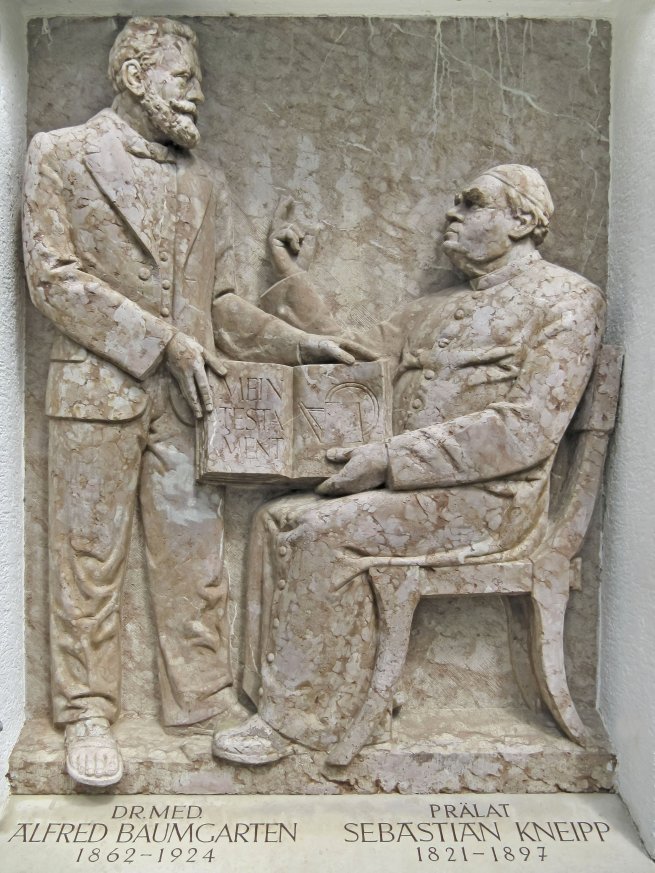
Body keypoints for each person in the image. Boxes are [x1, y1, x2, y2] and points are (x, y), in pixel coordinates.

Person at [22, 16, 360, 787]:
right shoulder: (62, 154)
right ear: (134, 77)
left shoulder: (205, 183)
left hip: (189, 401)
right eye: (184, 78)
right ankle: (86, 712)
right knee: (87, 557)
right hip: (95, 391)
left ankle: (201, 700)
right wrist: (163, 341)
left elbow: (223, 305)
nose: (198, 93)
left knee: (195, 557)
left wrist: (300, 344)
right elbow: (54, 280)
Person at [211, 164, 606, 765]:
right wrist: (289, 274)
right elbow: (353, 350)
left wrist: (390, 459)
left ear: (522, 221)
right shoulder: (434, 308)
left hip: (492, 503)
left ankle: (300, 724)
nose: (453, 213)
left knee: (322, 531)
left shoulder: (568, 299)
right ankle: (331, 691)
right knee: (277, 519)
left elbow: (528, 428)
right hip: (416, 492)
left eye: (471, 203)